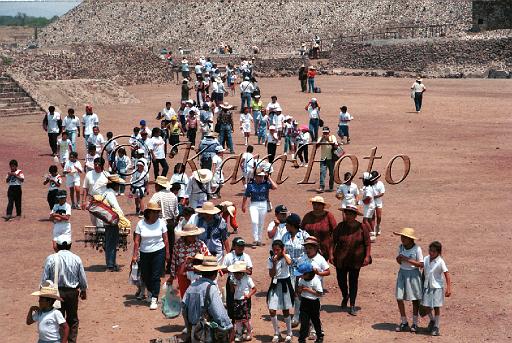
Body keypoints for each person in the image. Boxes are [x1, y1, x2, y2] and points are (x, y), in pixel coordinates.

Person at [40, 236, 88, 343]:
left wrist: (42, 294)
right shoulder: (76, 258)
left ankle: (60, 340)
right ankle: (71, 341)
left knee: (57, 319)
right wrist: (83, 290)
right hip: (72, 293)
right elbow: (82, 277)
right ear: (70, 246)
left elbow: (44, 279)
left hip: (55, 294)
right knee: (72, 319)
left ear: (57, 246)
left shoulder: (51, 258)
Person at [182, 256, 233, 342]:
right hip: (207, 333)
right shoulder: (211, 288)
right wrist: (229, 327)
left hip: (194, 332)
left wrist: (189, 328)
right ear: (215, 273)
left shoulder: (191, 286)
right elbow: (219, 314)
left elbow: (184, 309)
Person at [331, 205, 371, 316]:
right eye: (347, 213)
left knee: (353, 282)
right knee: (341, 280)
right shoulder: (340, 226)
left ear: (355, 215)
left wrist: (367, 256)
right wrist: (331, 255)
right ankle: (345, 295)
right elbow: (333, 241)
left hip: (356, 259)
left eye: (351, 214)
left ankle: (352, 305)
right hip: (340, 258)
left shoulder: (362, 227)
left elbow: (367, 244)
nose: (348, 216)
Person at [131, 201, 170, 310]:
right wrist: (134, 255)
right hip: (144, 252)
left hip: (159, 251)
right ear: (148, 212)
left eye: (158, 212)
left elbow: (166, 239)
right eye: (154, 212)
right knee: (146, 275)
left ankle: (154, 298)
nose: (156, 214)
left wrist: (167, 253)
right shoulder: (141, 224)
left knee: (155, 276)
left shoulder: (162, 223)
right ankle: (150, 291)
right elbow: (137, 241)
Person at [281, 213, 310, 327]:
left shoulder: (304, 235)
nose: (286, 226)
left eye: (287, 224)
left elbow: (311, 248)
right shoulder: (285, 236)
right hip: (289, 269)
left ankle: (299, 316)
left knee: (301, 292)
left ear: (293, 224)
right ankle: (297, 314)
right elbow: (283, 251)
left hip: (302, 269)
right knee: (293, 293)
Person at [393, 227, 423, 333]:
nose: (402, 239)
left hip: (413, 275)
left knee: (415, 300)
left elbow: (421, 264)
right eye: (402, 237)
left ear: (411, 239)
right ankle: (404, 322)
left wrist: (407, 259)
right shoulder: (401, 247)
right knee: (399, 297)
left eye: (405, 237)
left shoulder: (417, 249)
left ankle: (415, 323)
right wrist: (398, 259)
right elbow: (399, 262)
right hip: (402, 273)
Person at [167, 224, 208, 297]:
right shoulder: (178, 245)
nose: (194, 237)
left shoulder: (200, 244)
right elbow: (174, 260)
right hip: (182, 273)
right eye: (191, 235)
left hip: (197, 273)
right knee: (185, 294)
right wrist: (172, 276)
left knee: (197, 294)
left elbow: (208, 256)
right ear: (185, 236)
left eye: (195, 235)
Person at [421, 241, 452, 336]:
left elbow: (446, 274)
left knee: (436, 307)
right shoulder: (426, 259)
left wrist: (449, 288)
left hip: (437, 287)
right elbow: (424, 271)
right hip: (427, 286)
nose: (431, 253)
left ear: (438, 252)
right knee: (425, 306)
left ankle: (436, 327)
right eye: (430, 250)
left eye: (434, 251)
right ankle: (432, 320)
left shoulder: (440, 261)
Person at [267, 239, 293, 343]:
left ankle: (289, 333)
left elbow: (289, 262)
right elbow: (271, 275)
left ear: (282, 250)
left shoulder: (287, 257)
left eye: (278, 250)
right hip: (275, 284)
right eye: (274, 250)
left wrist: (283, 254)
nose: (275, 252)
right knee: (272, 309)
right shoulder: (270, 259)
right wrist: (274, 263)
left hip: (285, 284)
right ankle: (277, 333)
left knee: (285, 310)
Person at [242, 169, 278, 247]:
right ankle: (255, 239)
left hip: (263, 204)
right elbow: (246, 195)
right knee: (255, 221)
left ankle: (259, 240)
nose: (261, 178)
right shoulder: (250, 184)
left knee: (261, 223)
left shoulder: (266, 183)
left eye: (262, 176)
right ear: (255, 177)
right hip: (254, 204)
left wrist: (268, 178)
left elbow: (275, 187)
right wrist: (243, 205)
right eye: (259, 176)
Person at [223, 237, 254, 326]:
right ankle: (233, 324)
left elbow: (250, 271)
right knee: (231, 302)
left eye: (242, 246)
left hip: (244, 281)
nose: (241, 248)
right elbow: (222, 269)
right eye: (239, 246)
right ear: (234, 246)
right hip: (231, 281)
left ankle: (245, 324)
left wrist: (240, 269)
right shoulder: (228, 256)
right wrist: (232, 268)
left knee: (245, 302)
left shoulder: (246, 256)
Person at [150, 175, 179, 267]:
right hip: (171, 223)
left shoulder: (157, 196)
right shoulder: (173, 196)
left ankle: (160, 266)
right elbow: (176, 213)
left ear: (158, 186)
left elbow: (150, 207)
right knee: (170, 244)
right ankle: (170, 266)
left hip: (160, 223)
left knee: (160, 245)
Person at [294, 261, 324, 343]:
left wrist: (308, 290)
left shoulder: (316, 281)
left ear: (307, 274)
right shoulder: (301, 279)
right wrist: (299, 290)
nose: (300, 275)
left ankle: (320, 336)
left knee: (315, 321)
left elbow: (320, 294)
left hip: (314, 303)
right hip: (304, 302)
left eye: (301, 274)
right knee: (304, 322)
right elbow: (299, 290)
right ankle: (302, 339)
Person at [228, 261, 257, 342]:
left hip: (245, 301)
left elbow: (254, 289)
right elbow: (232, 291)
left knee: (246, 318)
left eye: (238, 273)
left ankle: (249, 332)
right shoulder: (233, 279)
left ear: (242, 273)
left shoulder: (248, 279)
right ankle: (239, 334)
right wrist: (231, 286)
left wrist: (249, 295)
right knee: (237, 319)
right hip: (236, 300)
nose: (236, 275)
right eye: (235, 273)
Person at [301, 196, 337, 261]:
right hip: (309, 248)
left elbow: (335, 232)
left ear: (323, 206)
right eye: (314, 204)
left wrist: (332, 250)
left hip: (324, 248)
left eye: (318, 205)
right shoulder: (308, 216)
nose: (316, 206)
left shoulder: (329, 216)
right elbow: (301, 230)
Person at [102, 175, 125, 271]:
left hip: (107, 220)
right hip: (112, 221)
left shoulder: (106, 193)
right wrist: (123, 217)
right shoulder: (110, 194)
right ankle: (110, 265)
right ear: (114, 185)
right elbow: (116, 207)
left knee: (110, 242)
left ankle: (111, 263)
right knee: (111, 243)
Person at [316, 127, 338, 192]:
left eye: (326, 132)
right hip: (323, 158)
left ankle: (331, 187)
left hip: (331, 158)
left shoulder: (332, 137)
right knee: (322, 172)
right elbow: (316, 147)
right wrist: (322, 139)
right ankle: (321, 187)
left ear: (329, 132)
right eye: (324, 132)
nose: (325, 134)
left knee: (332, 173)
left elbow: (336, 146)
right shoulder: (320, 138)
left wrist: (328, 140)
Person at [360, 172, 376, 240]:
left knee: (365, 221)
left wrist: (362, 201)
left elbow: (369, 198)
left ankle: (371, 234)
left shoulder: (368, 188)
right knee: (369, 220)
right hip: (371, 205)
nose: (362, 180)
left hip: (369, 206)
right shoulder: (369, 187)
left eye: (363, 179)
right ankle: (372, 233)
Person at [370, 171, 385, 236]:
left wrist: (375, 197)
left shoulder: (380, 184)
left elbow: (382, 193)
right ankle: (372, 229)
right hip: (371, 202)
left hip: (378, 202)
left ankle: (378, 226)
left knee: (379, 216)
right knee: (372, 216)